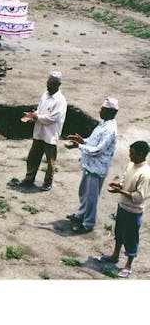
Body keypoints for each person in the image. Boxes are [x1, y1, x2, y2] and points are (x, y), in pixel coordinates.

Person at [65, 97, 119, 233]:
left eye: (102, 109)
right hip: (90, 164)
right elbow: (94, 141)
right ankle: (81, 214)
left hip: (97, 167)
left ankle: (88, 224)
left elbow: (99, 149)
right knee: (84, 192)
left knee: (91, 197)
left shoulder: (110, 129)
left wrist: (80, 146)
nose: (99, 111)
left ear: (110, 112)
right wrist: (83, 140)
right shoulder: (103, 124)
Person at [98, 141, 150, 278]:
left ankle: (128, 265)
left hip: (134, 211)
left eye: (132, 154)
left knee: (131, 238)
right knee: (119, 232)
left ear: (141, 154)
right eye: (130, 152)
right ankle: (115, 255)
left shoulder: (145, 174)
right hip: (122, 207)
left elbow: (139, 197)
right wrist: (119, 185)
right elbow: (125, 180)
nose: (129, 155)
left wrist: (120, 191)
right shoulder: (131, 165)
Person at [12, 71, 67, 191]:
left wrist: (37, 117)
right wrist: (32, 115)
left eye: (51, 84)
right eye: (47, 83)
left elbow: (53, 118)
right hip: (39, 133)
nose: (48, 86)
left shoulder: (60, 101)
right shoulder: (45, 95)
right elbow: (40, 110)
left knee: (50, 161)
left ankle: (48, 182)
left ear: (58, 85)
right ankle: (29, 179)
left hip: (50, 135)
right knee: (33, 157)